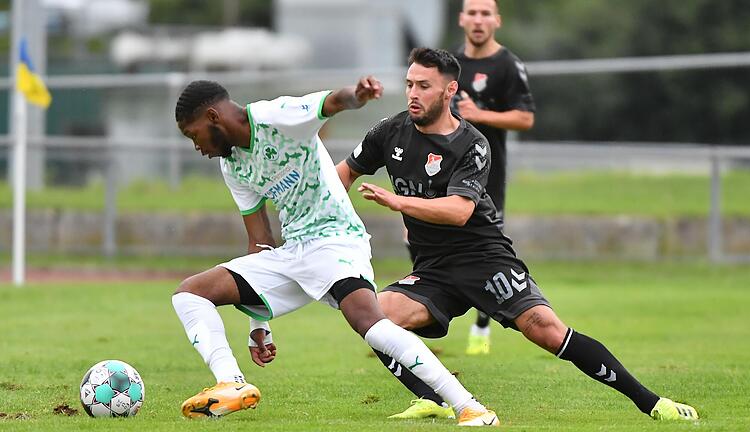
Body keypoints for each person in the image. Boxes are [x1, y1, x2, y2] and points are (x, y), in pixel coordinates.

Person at [336, 47, 699, 423]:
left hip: (484, 258)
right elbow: (342, 174)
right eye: (409, 84)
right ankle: (435, 399)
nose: (413, 93)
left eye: (424, 86)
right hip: (434, 267)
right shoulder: (389, 131)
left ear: (449, 91)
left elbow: (459, 212)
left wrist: (398, 203)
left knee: (547, 331)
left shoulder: (472, 145)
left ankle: (653, 403)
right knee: (375, 317)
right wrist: (312, 203)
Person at [171, 77, 500, 426]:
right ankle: (231, 383)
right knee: (190, 294)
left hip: (335, 239)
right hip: (293, 252)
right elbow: (260, 239)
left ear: (212, 116)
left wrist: (357, 96)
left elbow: (331, 102)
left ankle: (469, 406)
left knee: (370, 325)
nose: (198, 147)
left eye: (194, 136)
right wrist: (259, 321)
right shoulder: (232, 165)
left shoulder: (274, 116)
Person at [455, 0, 537, 357]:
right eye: (472, 12)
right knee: (421, 236)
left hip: (488, 173)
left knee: (487, 251)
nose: (478, 19)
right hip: (444, 169)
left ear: (496, 21)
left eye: (485, 13)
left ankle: (482, 323)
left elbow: (525, 118)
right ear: (461, 19)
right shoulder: (449, 65)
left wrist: (480, 115)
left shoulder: (507, 64)